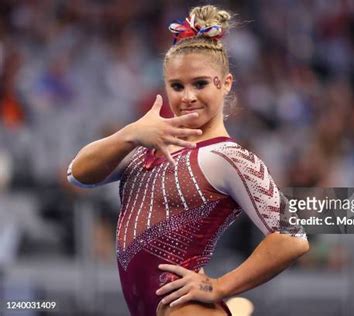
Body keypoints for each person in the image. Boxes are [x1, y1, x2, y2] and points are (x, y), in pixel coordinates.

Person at [67, 5, 309, 316]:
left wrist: (219, 286)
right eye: (177, 86)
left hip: (186, 308)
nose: (188, 96)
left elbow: (293, 237)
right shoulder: (145, 145)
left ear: (225, 83)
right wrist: (128, 133)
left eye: (200, 84)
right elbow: (78, 173)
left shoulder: (230, 157)